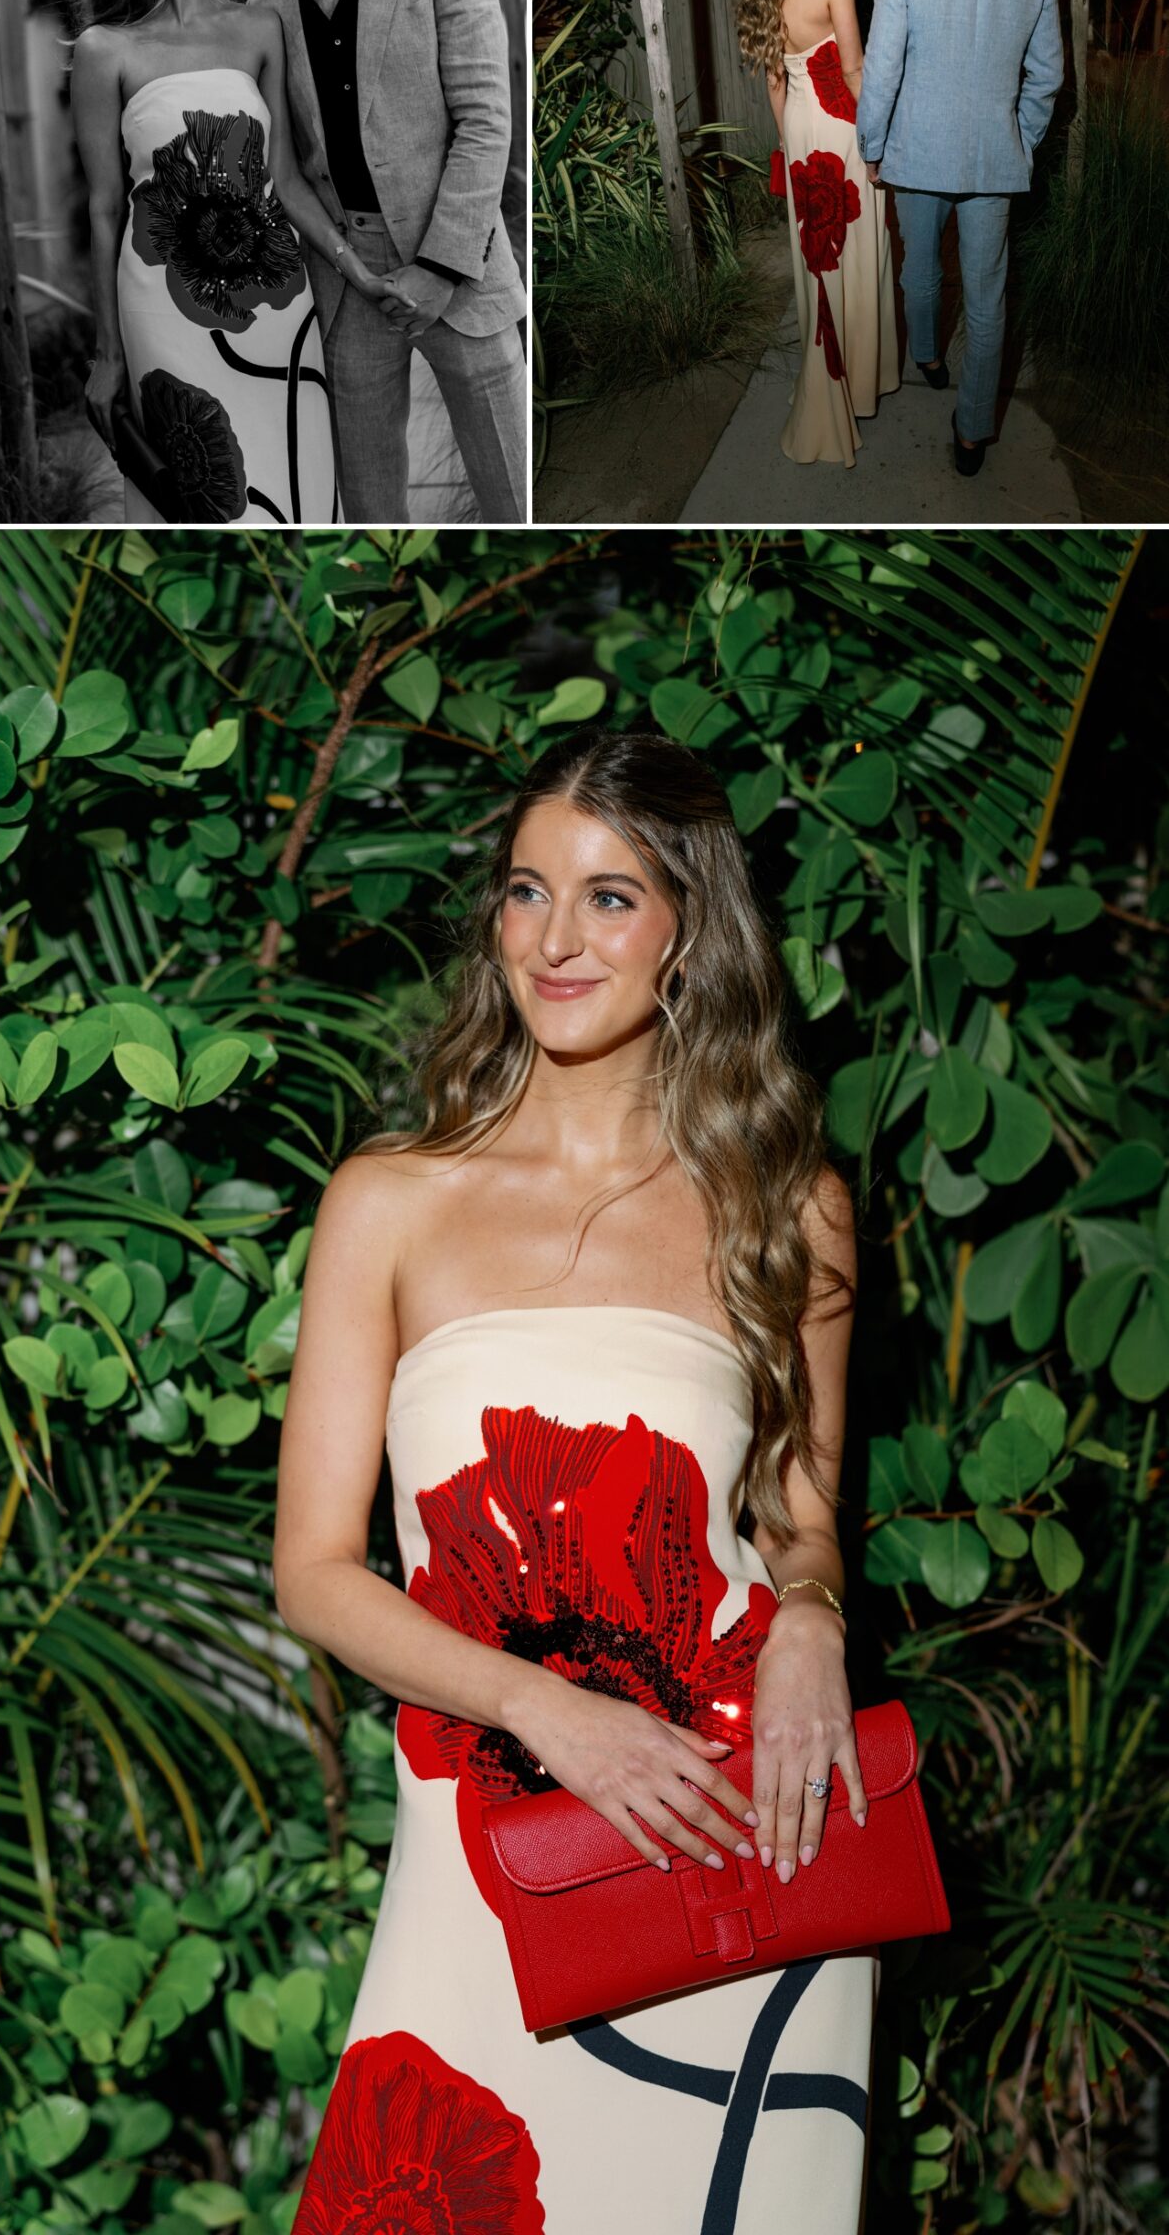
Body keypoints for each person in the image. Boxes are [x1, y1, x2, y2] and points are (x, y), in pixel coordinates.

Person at [275, 729, 874, 2235]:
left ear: (689, 929)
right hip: (490, 1825)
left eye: (610, 898)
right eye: (528, 890)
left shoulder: (786, 1205)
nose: (553, 938)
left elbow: (800, 1523)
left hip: (747, 1834)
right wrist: (541, 1707)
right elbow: (317, 1571)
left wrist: (809, 1622)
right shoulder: (390, 1201)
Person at [73, 0, 414, 524]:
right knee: (199, 492)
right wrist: (107, 354)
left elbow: (283, 180)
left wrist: (358, 270)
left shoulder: (259, 27)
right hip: (162, 311)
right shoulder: (103, 50)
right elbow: (105, 209)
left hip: (275, 301)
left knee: (297, 481)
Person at [244, 0, 527, 528]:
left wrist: (439, 268)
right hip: (347, 284)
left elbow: (485, 120)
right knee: (369, 507)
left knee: (510, 492)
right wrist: (348, 264)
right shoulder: (262, 13)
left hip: (457, 264)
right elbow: (294, 164)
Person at [856, 0, 1063, 479]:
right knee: (986, 298)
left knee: (918, 269)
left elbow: (882, 68)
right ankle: (972, 433)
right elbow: (1047, 78)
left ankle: (927, 357)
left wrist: (869, 145)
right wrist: (1018, 142)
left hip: (917, 155)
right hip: (991, 162)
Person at [736, 0, 899, 469]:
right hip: (844, 130)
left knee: (819, 258)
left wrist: (787, 145)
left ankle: (834, 374)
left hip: (803, 133)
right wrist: (878, 144)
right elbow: (854, 72)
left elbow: (776, 82)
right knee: (858, 252)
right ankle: (855, 383)